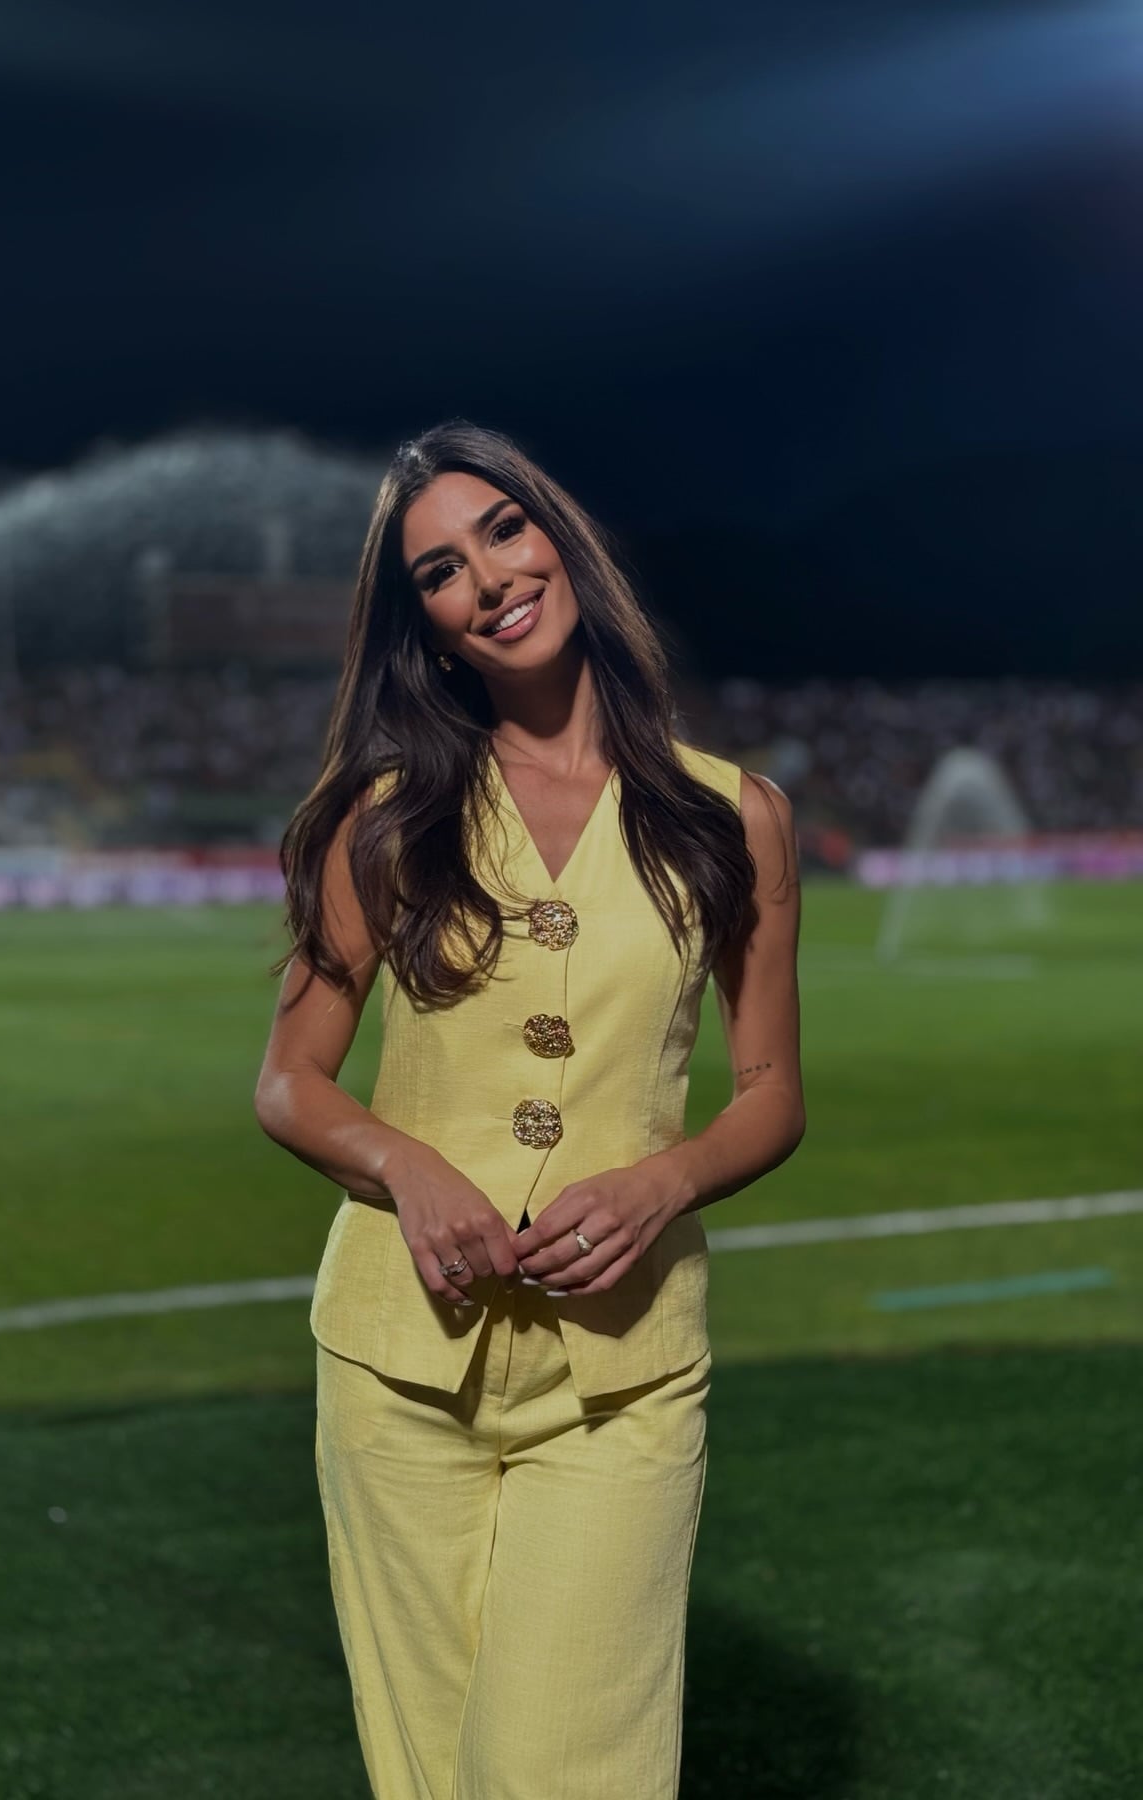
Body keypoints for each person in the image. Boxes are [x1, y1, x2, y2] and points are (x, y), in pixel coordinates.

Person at [254, 419, 803, 1800]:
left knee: (567, 1771)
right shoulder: (383, 819)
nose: (488, 577)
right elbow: (290, 1081)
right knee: (432, 1778)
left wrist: (665, 1181)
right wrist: (403, 1167)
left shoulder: (734, 814)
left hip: (623, 1377)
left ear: (561, 538)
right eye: (439, 570)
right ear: (426, 629)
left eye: (503, 529)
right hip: (395, 1370)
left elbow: (771, 1094)